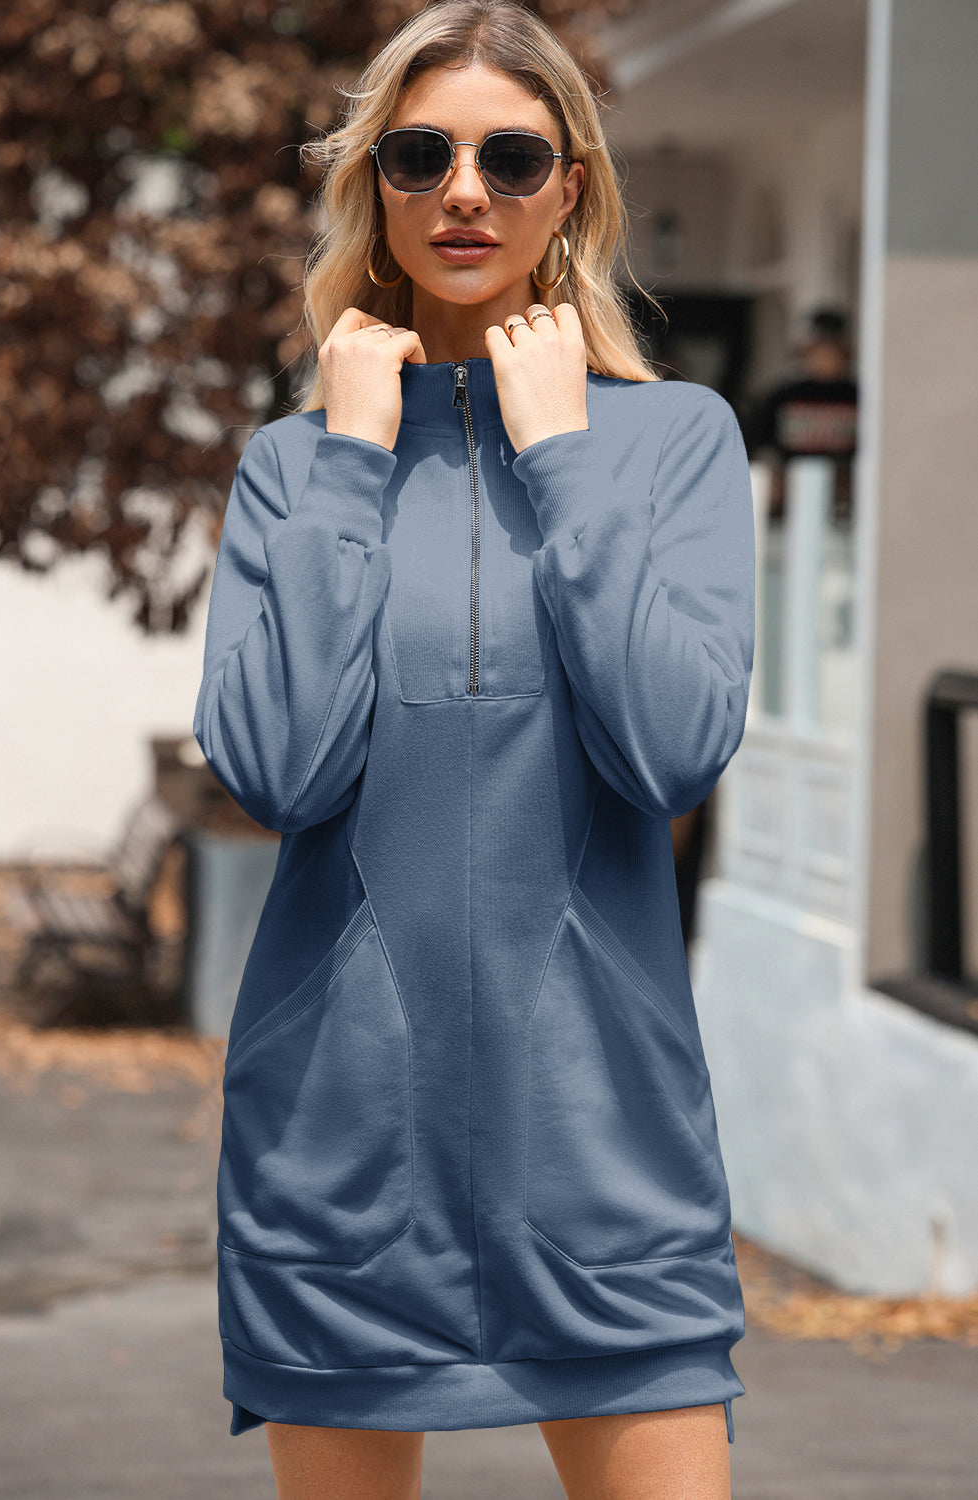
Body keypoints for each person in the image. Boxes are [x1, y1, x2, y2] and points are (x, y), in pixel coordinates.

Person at [192, 3, 756, 1495]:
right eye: (421, 153)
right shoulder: (295, 464)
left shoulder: (675, 440)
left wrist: (563, 453)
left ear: (571, 185)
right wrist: (347, 459)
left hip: (602, 1157)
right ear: (372, 183)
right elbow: (277, 770)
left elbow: (673, 749)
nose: (465, 191)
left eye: (512, 156)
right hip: (339, 1159)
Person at [743, 305, 858, 525]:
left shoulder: (858, 396)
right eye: (819, 349)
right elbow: (755, 444)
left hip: (846, 500)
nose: (825, 358)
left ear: (846, 353)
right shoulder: (783, 396)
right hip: (792, 497)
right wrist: (773, 478)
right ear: (805, 352)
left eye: (832, 350)